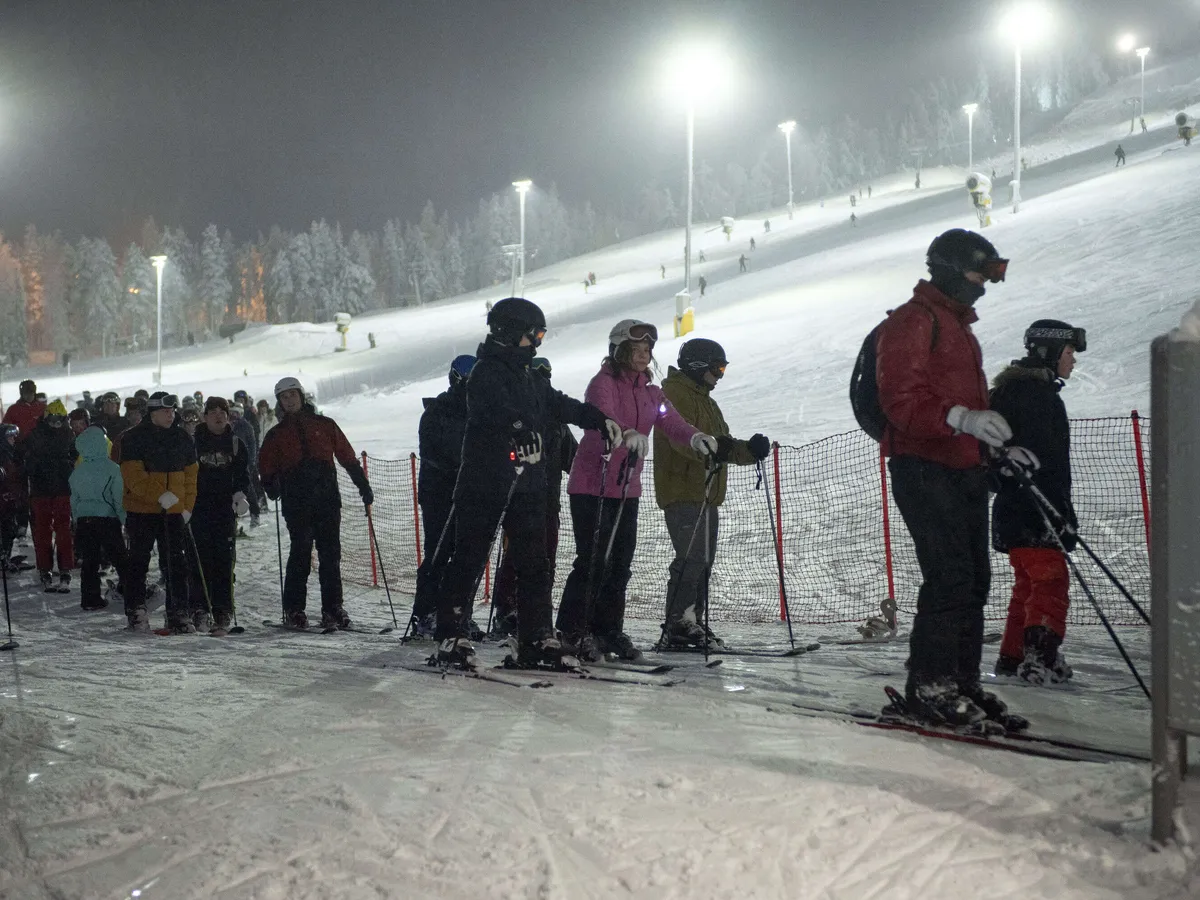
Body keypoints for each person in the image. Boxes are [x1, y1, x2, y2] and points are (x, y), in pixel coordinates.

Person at [875, 228, 1032, 728]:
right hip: (923, 465)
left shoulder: (958, 327)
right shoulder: (913, 321)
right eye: (976, 273)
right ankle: (930, 684)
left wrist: (996, 447)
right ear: (948, 269)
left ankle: (962, 680)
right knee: (950, 577)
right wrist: (959, 418)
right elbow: (899, 401)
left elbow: (969, 407)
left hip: (964, 467)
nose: (983, 284)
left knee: (975, 580)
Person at [436, 297, 621, 670]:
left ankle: (537, 636)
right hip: (485, 484)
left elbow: (557, 403)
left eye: (540, 335)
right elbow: (494, 413)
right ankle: (450, 633)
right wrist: (518, 433)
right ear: (507, 331)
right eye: (532, 334)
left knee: (535, 563)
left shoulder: (528, 375)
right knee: (470, 557)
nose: (536, 342)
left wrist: (596, 418)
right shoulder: (486, 373)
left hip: (528, 485)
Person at [556, 319, 714, 661]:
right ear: (619, 350)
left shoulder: (650, 392)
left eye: (647, 350)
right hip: (592, 484)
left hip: (627, 488)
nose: (643, 356)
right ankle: (573, 630)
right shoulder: (603, 384)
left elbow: (670, 421)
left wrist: (696, 438)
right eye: (636, 350)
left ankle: (608, 630)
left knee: (621, 564)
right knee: (594, 560)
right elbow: (604, 416)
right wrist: (626, 434)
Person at [654, 339, 770, 648]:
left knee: (702, 561)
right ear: (697, 366)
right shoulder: (676, 394)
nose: (720, 376)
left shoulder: (706, 399)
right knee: (692, 559)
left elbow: (720, 444)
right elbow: (685, 438)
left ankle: (692, 620)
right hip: (684, 489)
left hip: (706, 493)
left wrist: (750, 450)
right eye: (717, 368)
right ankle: (679, 623)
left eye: (723, 369)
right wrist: (719, 448)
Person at [990, 320, 1085, 685]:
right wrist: (1056, 514)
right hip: (1034, 512)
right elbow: (1034, 463)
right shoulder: (1034, 396)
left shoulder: (1018, 392)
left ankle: (1014, 658)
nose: (1073, 361)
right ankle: (1038, 659)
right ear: (1050, 352)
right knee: (1049, 582)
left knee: (1028, 585)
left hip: (1021, 512)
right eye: (1069, 352)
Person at [258, 376, 373, 630]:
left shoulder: (325, 424)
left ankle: (332, 608)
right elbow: (265, 465)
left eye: (293, 395)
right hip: (297, 502)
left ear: (301, 396)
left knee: (330, 555)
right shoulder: (276, 435)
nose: (289, 401)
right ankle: (294, 609)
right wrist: (270, 485)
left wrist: (362, 485)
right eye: (284, 398)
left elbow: (347, 456)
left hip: (327, 499)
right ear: (280, 402)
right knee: (300, 553)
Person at [491, 355, 578, 638]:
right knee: (517, 555)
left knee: (545, 558)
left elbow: (574, 461)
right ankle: (507, 610)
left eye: (546, 374)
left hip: (547, 501)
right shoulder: (517, 418)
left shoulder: (558, 426)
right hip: (519, 499)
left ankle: (537, 612)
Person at [120, 391, 198, 633]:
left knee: (176, 563)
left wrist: (186, 508)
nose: (170, 415)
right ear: (152, 413)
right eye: (165, 411)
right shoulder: (133, 438)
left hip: (174, 512)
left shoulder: (182, 438)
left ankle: (178, 612)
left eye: (172, 411)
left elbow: (191, 477)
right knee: (138, 562)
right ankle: (136, 610)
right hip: (142, 511)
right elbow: (133, 476)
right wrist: (158, 494)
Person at [411, 354, 476, 638]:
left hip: (470, 493)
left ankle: (458, 614)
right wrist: (462, 464)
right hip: (440, 491)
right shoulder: (438, 411)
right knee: (438, 553)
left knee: (466, 558)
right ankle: (425, 614)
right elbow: (436, 450)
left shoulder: (481, 410)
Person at [192, 397, 251, 632]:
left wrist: (240, 495)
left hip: (224, 510)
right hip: (198, 509)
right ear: (204, 416)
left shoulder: (236, 444)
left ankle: (223, 608)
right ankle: (199, 607)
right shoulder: (194, 443)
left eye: (222, 412)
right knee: (199, 559)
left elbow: (242, 474)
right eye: (213, 412)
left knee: (224, 561)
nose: (218, 416)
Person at [70, 426, 129, 611]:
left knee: (90, 561)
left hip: (85, 521)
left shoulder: (78, 471)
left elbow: (74, 499)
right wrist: (125, 519)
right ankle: (131, 592)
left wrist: (76, 518)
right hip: (107, 519)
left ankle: (90, 599)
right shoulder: (113, 469)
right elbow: (118, 498)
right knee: (120, 558)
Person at [25, 400, 76, 592]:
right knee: (42, 532)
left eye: (60, 420)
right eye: (53, 419)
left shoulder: (68, 435)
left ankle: (65, 568)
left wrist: (66, 467)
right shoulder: (35, 436)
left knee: (63, 531)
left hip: (62, 489)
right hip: (41, 491)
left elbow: (74, 458)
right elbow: (27, 462)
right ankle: (45, 568)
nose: (57, 424)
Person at [228, 405, 263, 525]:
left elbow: (252, 444)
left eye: (235, 413)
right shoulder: (227, 425)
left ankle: (255, 513)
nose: (233, 415)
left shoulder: (245, 426)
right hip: (231, 462)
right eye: (231, 412)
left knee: (248, 488)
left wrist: (252, 460)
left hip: (244, 462)